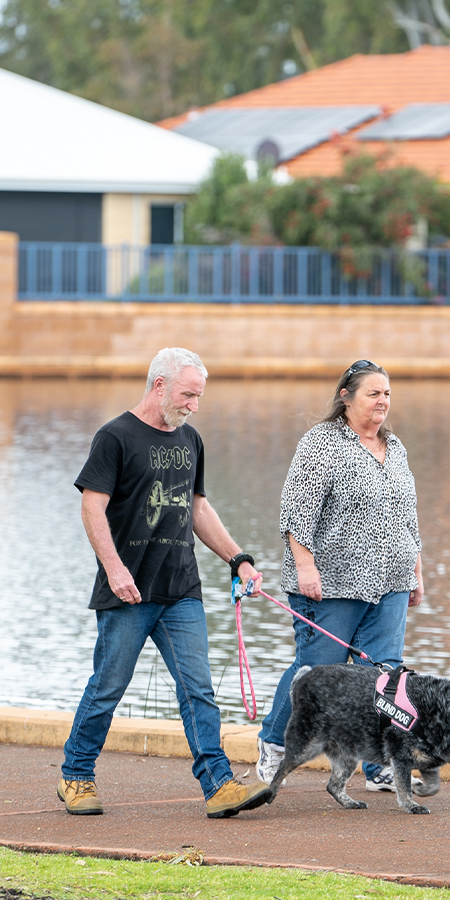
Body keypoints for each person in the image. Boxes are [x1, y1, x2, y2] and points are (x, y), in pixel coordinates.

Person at [58, 347, 272, 819]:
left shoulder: (190, 439)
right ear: (159, 385)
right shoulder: (114, 437)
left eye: (199, 396)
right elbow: (92, 506)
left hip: (181, 590)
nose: (194, 404)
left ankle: (218, 785)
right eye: (188, 394)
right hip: (128, 591)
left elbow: (197, 507)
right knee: (108, 686)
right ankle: (76, 774)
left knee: (198, 689)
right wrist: (114, 569)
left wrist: (238, 559)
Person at [256, 360, 424, 792]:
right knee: (316, 670)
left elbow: (408, 515)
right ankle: (274, 745)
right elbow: (297, 511)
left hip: (391, 582)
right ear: (346, 397)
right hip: (331, 584)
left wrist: (416, 571)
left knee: (384, 676)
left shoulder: (396, 446)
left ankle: (378, 765)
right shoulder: (322, 443)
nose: (383, 400)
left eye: (387, 393)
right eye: (373, 393)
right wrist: (306, 566)